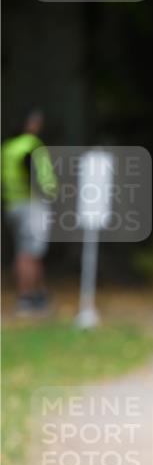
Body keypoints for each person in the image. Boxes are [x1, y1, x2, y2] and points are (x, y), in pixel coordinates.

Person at [1, 109, 58, 315]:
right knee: (29, 253)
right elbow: (36, 174)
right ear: (32, 124)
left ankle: (38, 294)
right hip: (32, 205)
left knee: (28, 251)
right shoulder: (31, 146)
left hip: (13, 205)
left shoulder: (7, 148)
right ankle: (27, 298)